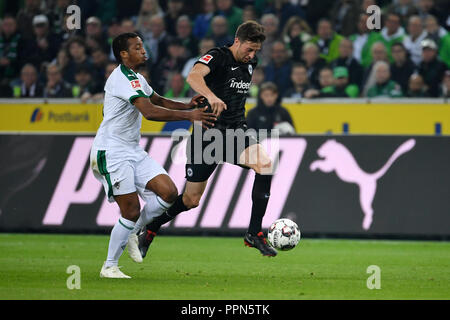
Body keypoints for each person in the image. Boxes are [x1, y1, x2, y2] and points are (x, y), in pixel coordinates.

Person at [138, 21, 279, 258]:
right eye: (249, 49)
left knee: (265, 164)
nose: (252, 55)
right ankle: (151, 227)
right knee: (191, 200)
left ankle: (254, 233)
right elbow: (193, 77)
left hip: (235, 132)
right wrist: (211, 96)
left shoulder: (250, 63)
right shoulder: (217, 57)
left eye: (256, 51)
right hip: (208, 136)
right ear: (237, 41)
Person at [92, 32, 215, 278]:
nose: (144, 50)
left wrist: (186, 106)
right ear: (124, 54)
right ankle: (109, 266)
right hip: (112, 152)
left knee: (169, 192)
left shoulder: (136, 78)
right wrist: (190, 116)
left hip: (132, 150)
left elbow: (157, 99)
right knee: (130, 210)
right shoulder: (121, 79)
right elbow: (149, 111)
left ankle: (132, 235)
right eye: (137, 47)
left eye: (143, 45)